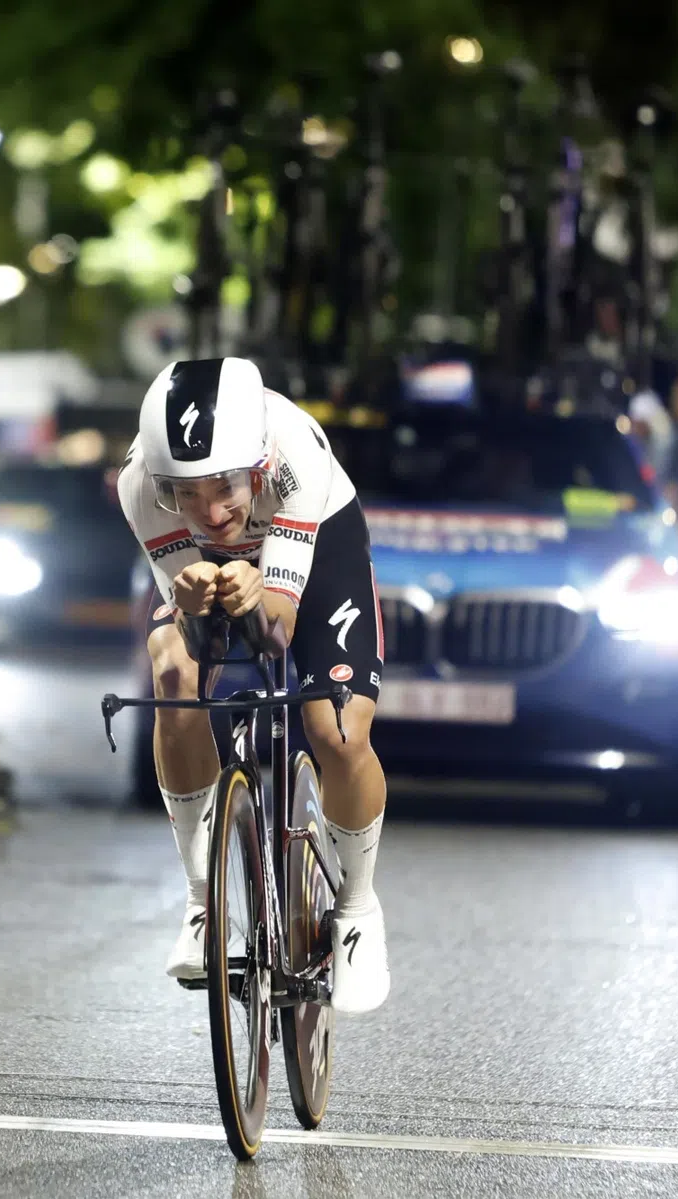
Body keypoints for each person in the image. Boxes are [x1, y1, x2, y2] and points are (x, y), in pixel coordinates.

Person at [117, 356, 391, 1014]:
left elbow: (276, 631)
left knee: (338, 728)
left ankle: (356, 907)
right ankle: (202, 899)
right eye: (186, 493)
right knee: (174, 673)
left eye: (223, 486)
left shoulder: (295, 455)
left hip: (318, 542)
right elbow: (202, 639)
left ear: (258, 464)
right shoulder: (140, 487)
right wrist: (193, 600)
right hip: (211, 573)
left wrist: (258, 596)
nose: (209, 511)